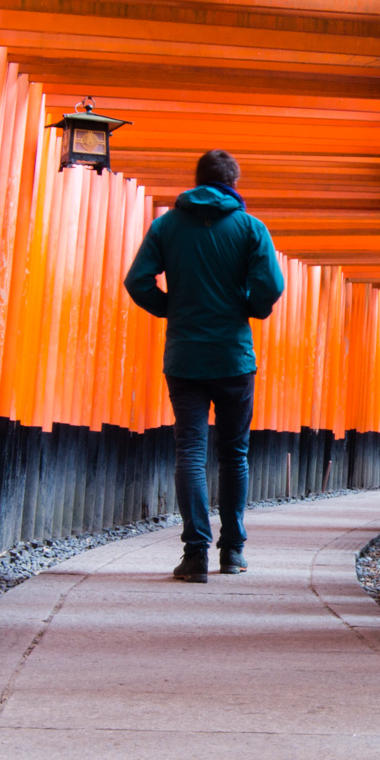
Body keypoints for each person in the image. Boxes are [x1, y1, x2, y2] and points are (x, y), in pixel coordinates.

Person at [124, 149, 286, 582]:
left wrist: (169, 309)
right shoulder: (251, 228)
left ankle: (195, 554)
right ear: (233, 183)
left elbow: (136, 281)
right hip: (234, 356)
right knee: (234, 454)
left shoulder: (167, 226)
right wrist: (251, 309)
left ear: (197, 182)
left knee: (190, 453)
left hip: (185, 356)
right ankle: (232, 551)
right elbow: (272, 285)